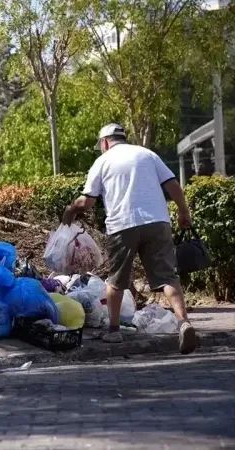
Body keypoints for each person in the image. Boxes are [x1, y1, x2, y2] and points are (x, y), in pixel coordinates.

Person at [62, 123, 196, 354]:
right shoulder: (147, 154)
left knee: (116, 280)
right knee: (168, 277)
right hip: (158, 222)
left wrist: (71, 209)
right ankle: (183, 322)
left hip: (123, 226)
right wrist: (184, 211)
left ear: (104, 142)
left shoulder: (102, 162)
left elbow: (87, 202)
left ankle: (114, 331)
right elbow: (173, 185)